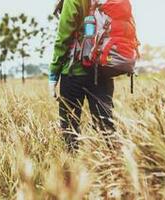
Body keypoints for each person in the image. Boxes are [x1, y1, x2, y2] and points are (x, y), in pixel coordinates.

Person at [49, 0, 116, 151]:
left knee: (70, 128)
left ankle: (73, 171)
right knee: (106, 126)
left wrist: (53, 75)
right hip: (103, 71)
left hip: (74, 73)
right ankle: (119, 169)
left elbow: (63, 39)